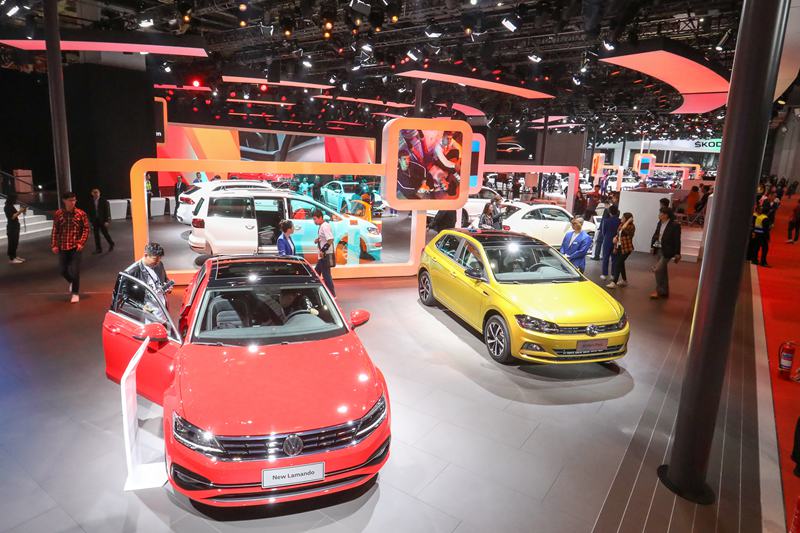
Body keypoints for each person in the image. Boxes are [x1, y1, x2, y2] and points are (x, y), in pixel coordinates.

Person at [51, 191, 89, 303]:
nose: (73, 202)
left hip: (75, 247)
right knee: (62, 270)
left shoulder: (81, 214)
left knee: (75, 270)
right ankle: (72, 282)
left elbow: (86, 229)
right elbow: (55, 229)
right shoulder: (58, 214)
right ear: (64, 201)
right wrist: (54, 244)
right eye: (70, 200)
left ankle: (75, 293)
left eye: (74, 200)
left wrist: (81, 242)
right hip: (63, 246)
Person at [124, 242, 173, 317]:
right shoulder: (131, 272)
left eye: (159, 259)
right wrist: (141, 306)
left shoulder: (159, 264)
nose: (157, 262)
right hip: (146, 313)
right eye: (155, 259)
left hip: (162, 309)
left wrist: (167, 286)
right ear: (146, 255)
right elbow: (124, 296)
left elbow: (164, 279)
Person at [650, 207, 682, 299]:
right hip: (659, 248)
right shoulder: (660, 223)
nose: (659, 214)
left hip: (668, 250)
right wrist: (652, 246)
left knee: (658, 270)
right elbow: (656, 234)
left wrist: (677, 253)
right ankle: (664, 291)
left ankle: (659, 291)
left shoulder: (675, 225)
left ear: (666, 215)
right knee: (663, 271)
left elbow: (677, 240)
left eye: (661, 213)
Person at [607, 212, 635, 289]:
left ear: (627, 219)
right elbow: (618, 234)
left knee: (618, 264)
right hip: (619, 247)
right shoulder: (621, 225)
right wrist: (615, 242)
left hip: (626, 248)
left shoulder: (631, 226)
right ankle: (624, 280)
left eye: (623, 218)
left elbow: (624, 230)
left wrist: (628, 222)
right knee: (621, 263)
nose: (621, 218)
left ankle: (614, 282)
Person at [312, 209, 335, 296]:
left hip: (325, 255)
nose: (314, 221)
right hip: (323, 255)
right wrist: (318, 239)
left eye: (315, 219)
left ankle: (331, 295)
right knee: (317, 274)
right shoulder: (322, 226)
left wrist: (323, 250)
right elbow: (325, 238)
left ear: (320, 217)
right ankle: (315, 291)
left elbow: (330, 239)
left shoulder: (325, 226)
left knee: (325, 276)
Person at [88, 188, 114, 254]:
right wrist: (91, 221)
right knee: (96, 235)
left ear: (99, 193)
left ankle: (111, 243)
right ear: (92, 194)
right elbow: (90, 211)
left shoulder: (103, 200)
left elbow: (106, 211)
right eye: (94, 193)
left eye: (97, 193)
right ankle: (98, 249)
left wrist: (106, 221)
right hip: (95, 220)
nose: (96, 194)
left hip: (102, 220)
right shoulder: (90, 201)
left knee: (105, 233)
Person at [599, 204, 621, 279]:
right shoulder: (619, 221)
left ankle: (604, 274)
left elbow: (603, 232)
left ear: (610, 212)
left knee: (605, 257)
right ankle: (613, 275)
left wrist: (606, 236)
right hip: (616, 241)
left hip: (607, 240)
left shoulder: (606, 220)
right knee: (614, 259)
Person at [4, 193, 26, 263]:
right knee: (12, 242)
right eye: (14, 199)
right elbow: (12, 217)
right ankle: (12, 258)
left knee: (15, 242)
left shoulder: (11, 206)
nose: (15, 200)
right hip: (11, 227)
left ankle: (14, 256)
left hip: (15, 225)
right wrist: (20, 211)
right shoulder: (7, 207)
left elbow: (16, 214)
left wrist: (23, 210)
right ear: (11, 199)